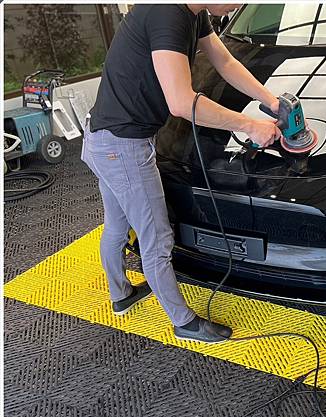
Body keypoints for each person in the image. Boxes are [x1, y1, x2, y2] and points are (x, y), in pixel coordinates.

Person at [82, 4, 281, 343]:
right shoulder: (167, 14)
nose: (238, 4)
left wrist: (272, 101)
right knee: (157, 240)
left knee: (117, 224)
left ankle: (120, 295)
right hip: (123, 148)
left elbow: (226, 62)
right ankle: (184, 322)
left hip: (104, 137)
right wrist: (249, 125)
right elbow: (180, 101)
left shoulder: (194, 11)